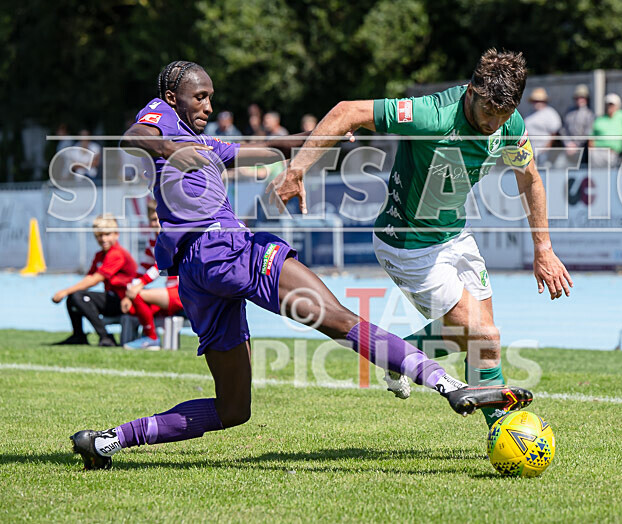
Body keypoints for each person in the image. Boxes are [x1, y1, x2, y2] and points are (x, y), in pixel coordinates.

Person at [70, 60, 532, 470]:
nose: (208, 105)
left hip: (197, 276)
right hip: (225, 249)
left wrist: (316, 142)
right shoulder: (163, 117)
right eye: (200, 96)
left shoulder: (206, 144)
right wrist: (173, 150)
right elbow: (134, 137)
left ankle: (108, 440)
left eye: (211, 97)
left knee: (234, 410)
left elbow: (263, 147)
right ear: (173, 97)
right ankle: (447, 384)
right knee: (340, 319)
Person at [271, 49, 571, 428]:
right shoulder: (431, 115)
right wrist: (297, 169)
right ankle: (504, 432)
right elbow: (348, 111)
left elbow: (529, 180)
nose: (494, 123)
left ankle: (401, 356)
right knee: (484, 335)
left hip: (455, 235)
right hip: (408, 245)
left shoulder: (509, 124)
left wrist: (544, 249)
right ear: (472, 92)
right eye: (488, 112)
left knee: (477, 340)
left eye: (504, 114)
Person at [51, 215, 156, 347]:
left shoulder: (117, 254)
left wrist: (65, 291)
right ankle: (78, 335)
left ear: (116, 234)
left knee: (77, 296)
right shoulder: (100, 255)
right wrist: (69, 293)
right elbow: (89, 278)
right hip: (111, 298)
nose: (103, 239)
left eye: (107, 234)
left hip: (125, 300)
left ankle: (106, 337)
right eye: (99, 236)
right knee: (73, 298)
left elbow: (96, 279)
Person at [121, 200, 184, 350]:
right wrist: (130, 289)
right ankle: (146, 336)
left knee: (138, 295)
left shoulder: (171, 237)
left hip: (182, 291)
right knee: (133, 305)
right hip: (170, 292)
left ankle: (151, 338)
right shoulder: (153, 238)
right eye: (152, 220)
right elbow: (143, 267)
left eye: (158, 219)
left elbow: (160, 266)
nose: (156, 223)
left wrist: (139, 286)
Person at [589, 93, 622, 167]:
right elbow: (591, 136)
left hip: (612, 153)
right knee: (596, 173)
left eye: (612, 105)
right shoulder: (600, 119)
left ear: (617, 106)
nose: (610, 107)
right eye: (608, 105)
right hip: (597, 153)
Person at [523, 87, 562, 167]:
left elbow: (554, 134)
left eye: (539, 101)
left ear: (544, 101)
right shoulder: (529, 114)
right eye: (535, 101)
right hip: (529, 151)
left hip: (544, 151)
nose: (537, 103)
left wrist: (546, 148)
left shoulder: (550, 113)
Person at [557, 84, 594, 166]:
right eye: (578, 97)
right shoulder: (569, 112)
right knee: (559, 165)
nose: (580, 100)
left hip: (582, 149)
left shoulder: (589, 114)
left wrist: (576, 145)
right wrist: (568, 143)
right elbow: (563, 130)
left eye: (582, 97)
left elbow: (587, 133)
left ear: (586, 99)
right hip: (567, 148)